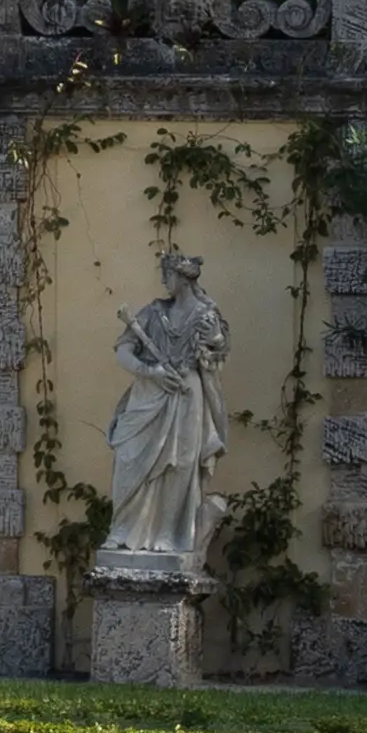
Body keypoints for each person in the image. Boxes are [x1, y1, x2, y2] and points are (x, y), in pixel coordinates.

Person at [96, 247, 235, 581]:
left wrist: (214, 339)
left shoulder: (206, 314)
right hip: (149, 393)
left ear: (183, 278)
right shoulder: (153, 312)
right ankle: (123, 531)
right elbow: (124, 351)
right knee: (128, 457)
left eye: (167, 274)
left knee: (180, 464)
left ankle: (169, 536)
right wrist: (151, 371)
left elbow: (217, 352)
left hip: (186, 395)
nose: (163, 280)